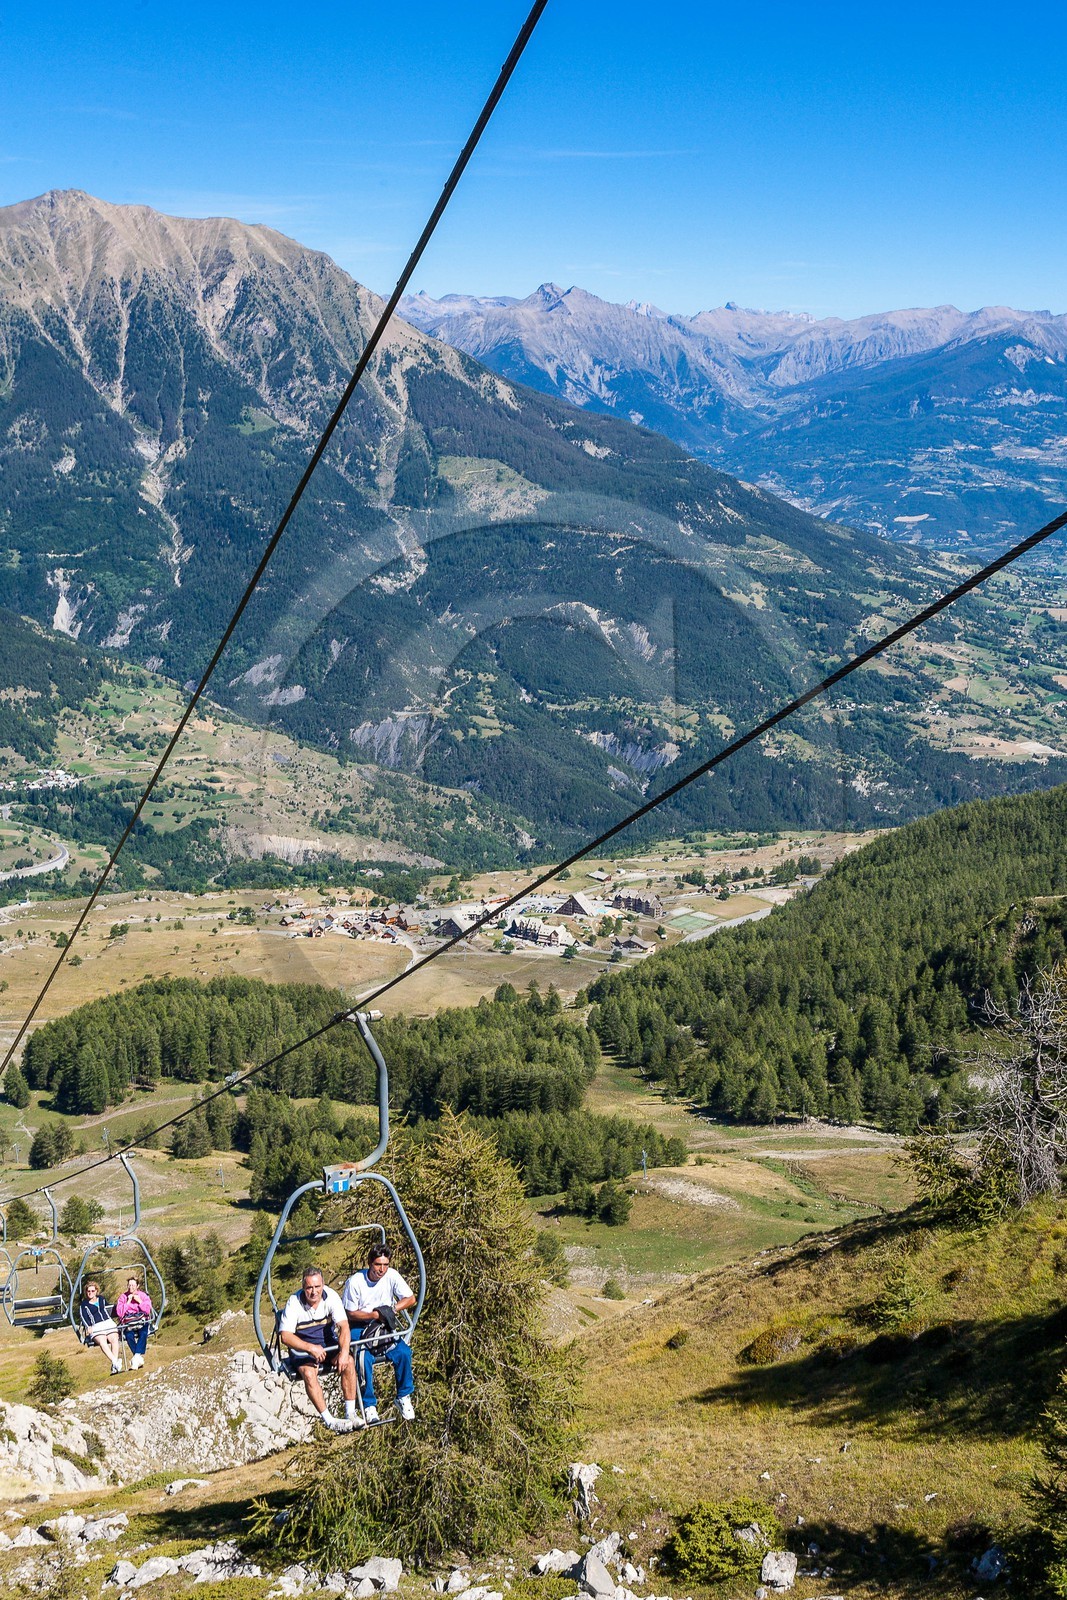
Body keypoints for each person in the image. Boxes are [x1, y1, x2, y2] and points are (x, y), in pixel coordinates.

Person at [278, 1265, 362, 1432]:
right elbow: (285, 1336)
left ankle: (350, 1413)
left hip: (327, 1342)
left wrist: (344, 1353)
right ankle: (329, 1420)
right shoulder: (294, 1302)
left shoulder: (330, 1297)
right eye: (309, 1288)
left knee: (349, 1362)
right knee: (309, 1374)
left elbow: (344, 1326)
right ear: (303, 1288)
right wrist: (309, 1348)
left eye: (317, 1287)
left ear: (323, 1285)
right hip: (304, 1347)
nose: (313, 1292)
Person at [341, 1244, 416, 1423]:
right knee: (363, 1359)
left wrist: (392, 1310)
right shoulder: (356, 1282)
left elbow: (410, 1298)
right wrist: (373, 1315)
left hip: (383, 1324)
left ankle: (404, 1395)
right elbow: (350, 1313)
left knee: (403, 1352)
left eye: (385, 1265)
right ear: (370, 1263)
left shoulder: (391, 1276)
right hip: (360, 1325)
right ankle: (369, 1405)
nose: (381, 1269)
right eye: (377, 1265)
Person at [79, 1281, 123, 1375]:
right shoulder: (84, 1304)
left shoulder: (101, 1299)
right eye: (88, 1291)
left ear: (96, 1291)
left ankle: (114, 1364)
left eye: (92, 1291)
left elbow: (108, 1308)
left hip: (108, 1322)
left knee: (114, 1339)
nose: (90, 1293)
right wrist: (88, 1327)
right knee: (102, 1341)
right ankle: (115, 1361)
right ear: (86, 1292)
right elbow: (83, 1316)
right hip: (96, 1325)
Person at [115, 1276, 154, 1370]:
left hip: (141, 1320)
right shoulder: (123, 1297)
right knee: (129, 1336)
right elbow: (120, 1313)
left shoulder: (143, 1295)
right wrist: (128, 1301)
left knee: (143, 1333)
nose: (130, 1287)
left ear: (137, 1286)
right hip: (129, 1322)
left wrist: (139, 1301)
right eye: (129, 1285)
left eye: (133, 1285)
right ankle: (137, 1358)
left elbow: (147, 1310)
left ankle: (136, 1357)